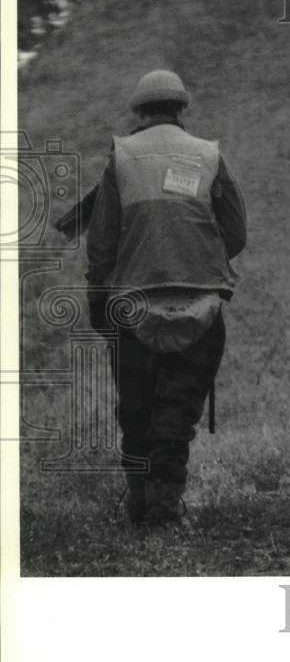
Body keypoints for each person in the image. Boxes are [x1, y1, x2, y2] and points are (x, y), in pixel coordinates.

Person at [86, 69, 247, 528]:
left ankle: (138, 497)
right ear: (182, 109)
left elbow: (101, 243)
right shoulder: (208, 154)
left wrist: (101, 290)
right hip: (200, 303)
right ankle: (167, 499)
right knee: (178, 405)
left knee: (137, 404)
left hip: (132, 302)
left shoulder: (121, 157)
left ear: (138, 111)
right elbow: (236, 232)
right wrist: (197, 258)